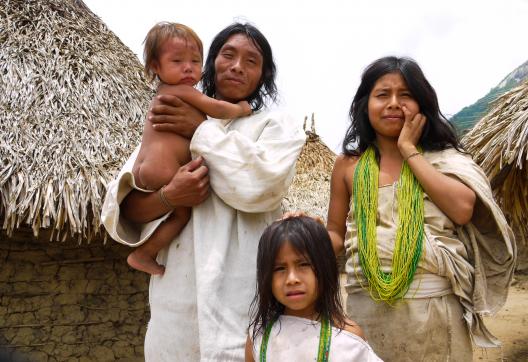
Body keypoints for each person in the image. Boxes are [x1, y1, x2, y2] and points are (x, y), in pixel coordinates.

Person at [101, 22, 306, 361]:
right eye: (228, 55)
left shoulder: (276, 127)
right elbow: (124, 208)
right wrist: (170, 196)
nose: (237, 66)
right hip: (175, 304)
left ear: (263, 75)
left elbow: (258, 187)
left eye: (251, 61)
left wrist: (201, 130)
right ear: (211, 63)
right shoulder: (168, 118)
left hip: (242, 298)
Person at [326, 56, 516, 361]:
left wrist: (409, 151)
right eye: (382, 95)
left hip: (435, 312)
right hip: (367, 311)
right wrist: (306, 234)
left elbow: (462, 209)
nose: (393, 103)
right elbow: (334, 231)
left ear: (422, 105)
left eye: (405, 95)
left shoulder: (444, 158)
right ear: (365, 104)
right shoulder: (348, 165)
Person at [127, 22, 252, 275]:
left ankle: (144, 253)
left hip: (148, 167)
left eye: (195, 61)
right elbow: (216, 108)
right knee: (180, 216)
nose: (188, 67)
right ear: (155, 67)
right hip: (164, 170)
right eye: (177, 61)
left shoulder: (165, 94)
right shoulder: (181, 91)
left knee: (176, 214)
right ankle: (143, 253)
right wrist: (241, 109)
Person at [245, 216, 382, 362]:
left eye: (303, 264)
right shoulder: (259, 337)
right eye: (279, 268)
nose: (292, 279)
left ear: (325, 267)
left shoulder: (347, 339)